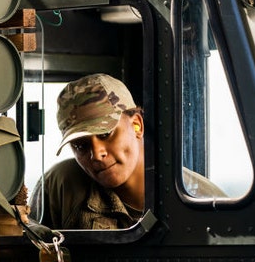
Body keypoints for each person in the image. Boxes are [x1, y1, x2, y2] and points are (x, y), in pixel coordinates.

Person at [30, 73, 225, 230]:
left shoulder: (201, 201)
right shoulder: (60, 185)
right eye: (81, 145)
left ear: (137, 125)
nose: (96, 154)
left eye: (106, 134)